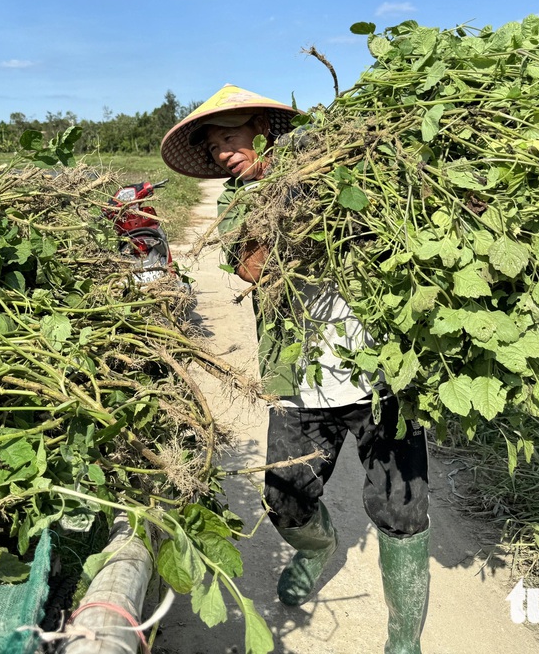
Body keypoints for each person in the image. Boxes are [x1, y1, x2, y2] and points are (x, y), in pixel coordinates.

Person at [160, 84, 430, 654]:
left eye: (231, 139)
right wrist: (278, 205)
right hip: (299, 380)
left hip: (384, 374)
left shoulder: (336, 171)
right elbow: (252, 271)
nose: (223, 154)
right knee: (283, 499)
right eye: (213, 148)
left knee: (401, 511)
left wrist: (316, 182)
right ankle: (316, 549)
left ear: (262, 127)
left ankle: (404, 640)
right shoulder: (238, 201)